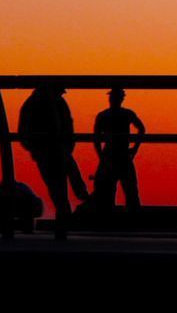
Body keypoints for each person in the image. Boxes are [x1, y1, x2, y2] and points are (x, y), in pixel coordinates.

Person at [18, 84, 88, 238]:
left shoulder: (36, 104)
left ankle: (66, 214)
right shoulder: (46, 104)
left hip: (51, 151)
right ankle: (68, 212)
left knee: (57, 187)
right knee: (60, 186)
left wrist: (34, 148)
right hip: (51, 150)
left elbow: (24, 131)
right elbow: (68, 125)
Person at [93, 88, 146, 212]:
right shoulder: (124, 114)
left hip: (113, 154)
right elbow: (142, 129)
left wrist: (101, 157)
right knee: (127, 190)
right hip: (120, 155)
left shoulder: (104, 115)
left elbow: (96, 138)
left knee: (122, 190)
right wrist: (135, 149)